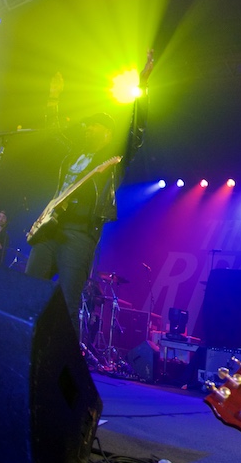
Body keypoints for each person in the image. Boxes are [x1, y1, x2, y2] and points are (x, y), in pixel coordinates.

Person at [25, 51, 154, 337]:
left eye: (96, 124)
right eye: (90, 123)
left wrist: (142, 86)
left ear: (107, 133)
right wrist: (54, 98)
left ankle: (65, 367)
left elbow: (137, 130)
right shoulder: (73, 155)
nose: (90, 127)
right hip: (49, 230)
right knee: (27, 294)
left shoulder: (112, 161)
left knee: (69, 303)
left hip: (79, 234)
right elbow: (52, 131)